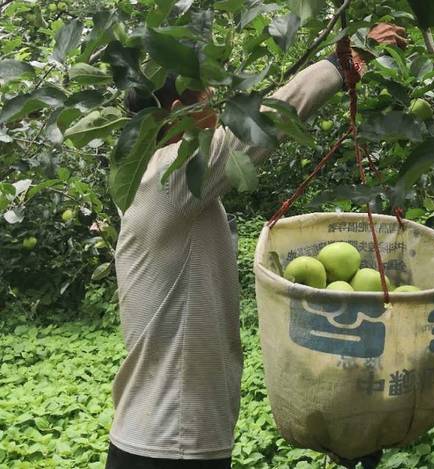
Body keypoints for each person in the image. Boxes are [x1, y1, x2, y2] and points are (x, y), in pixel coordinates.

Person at [106, 23, 408, 469]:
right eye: (209, 99)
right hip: (171, 444)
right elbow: (263, 122)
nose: (221, 109)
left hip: (170, 438)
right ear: (177, 115)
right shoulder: (170, 179)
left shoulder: (171, 191)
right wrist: (342, 64)